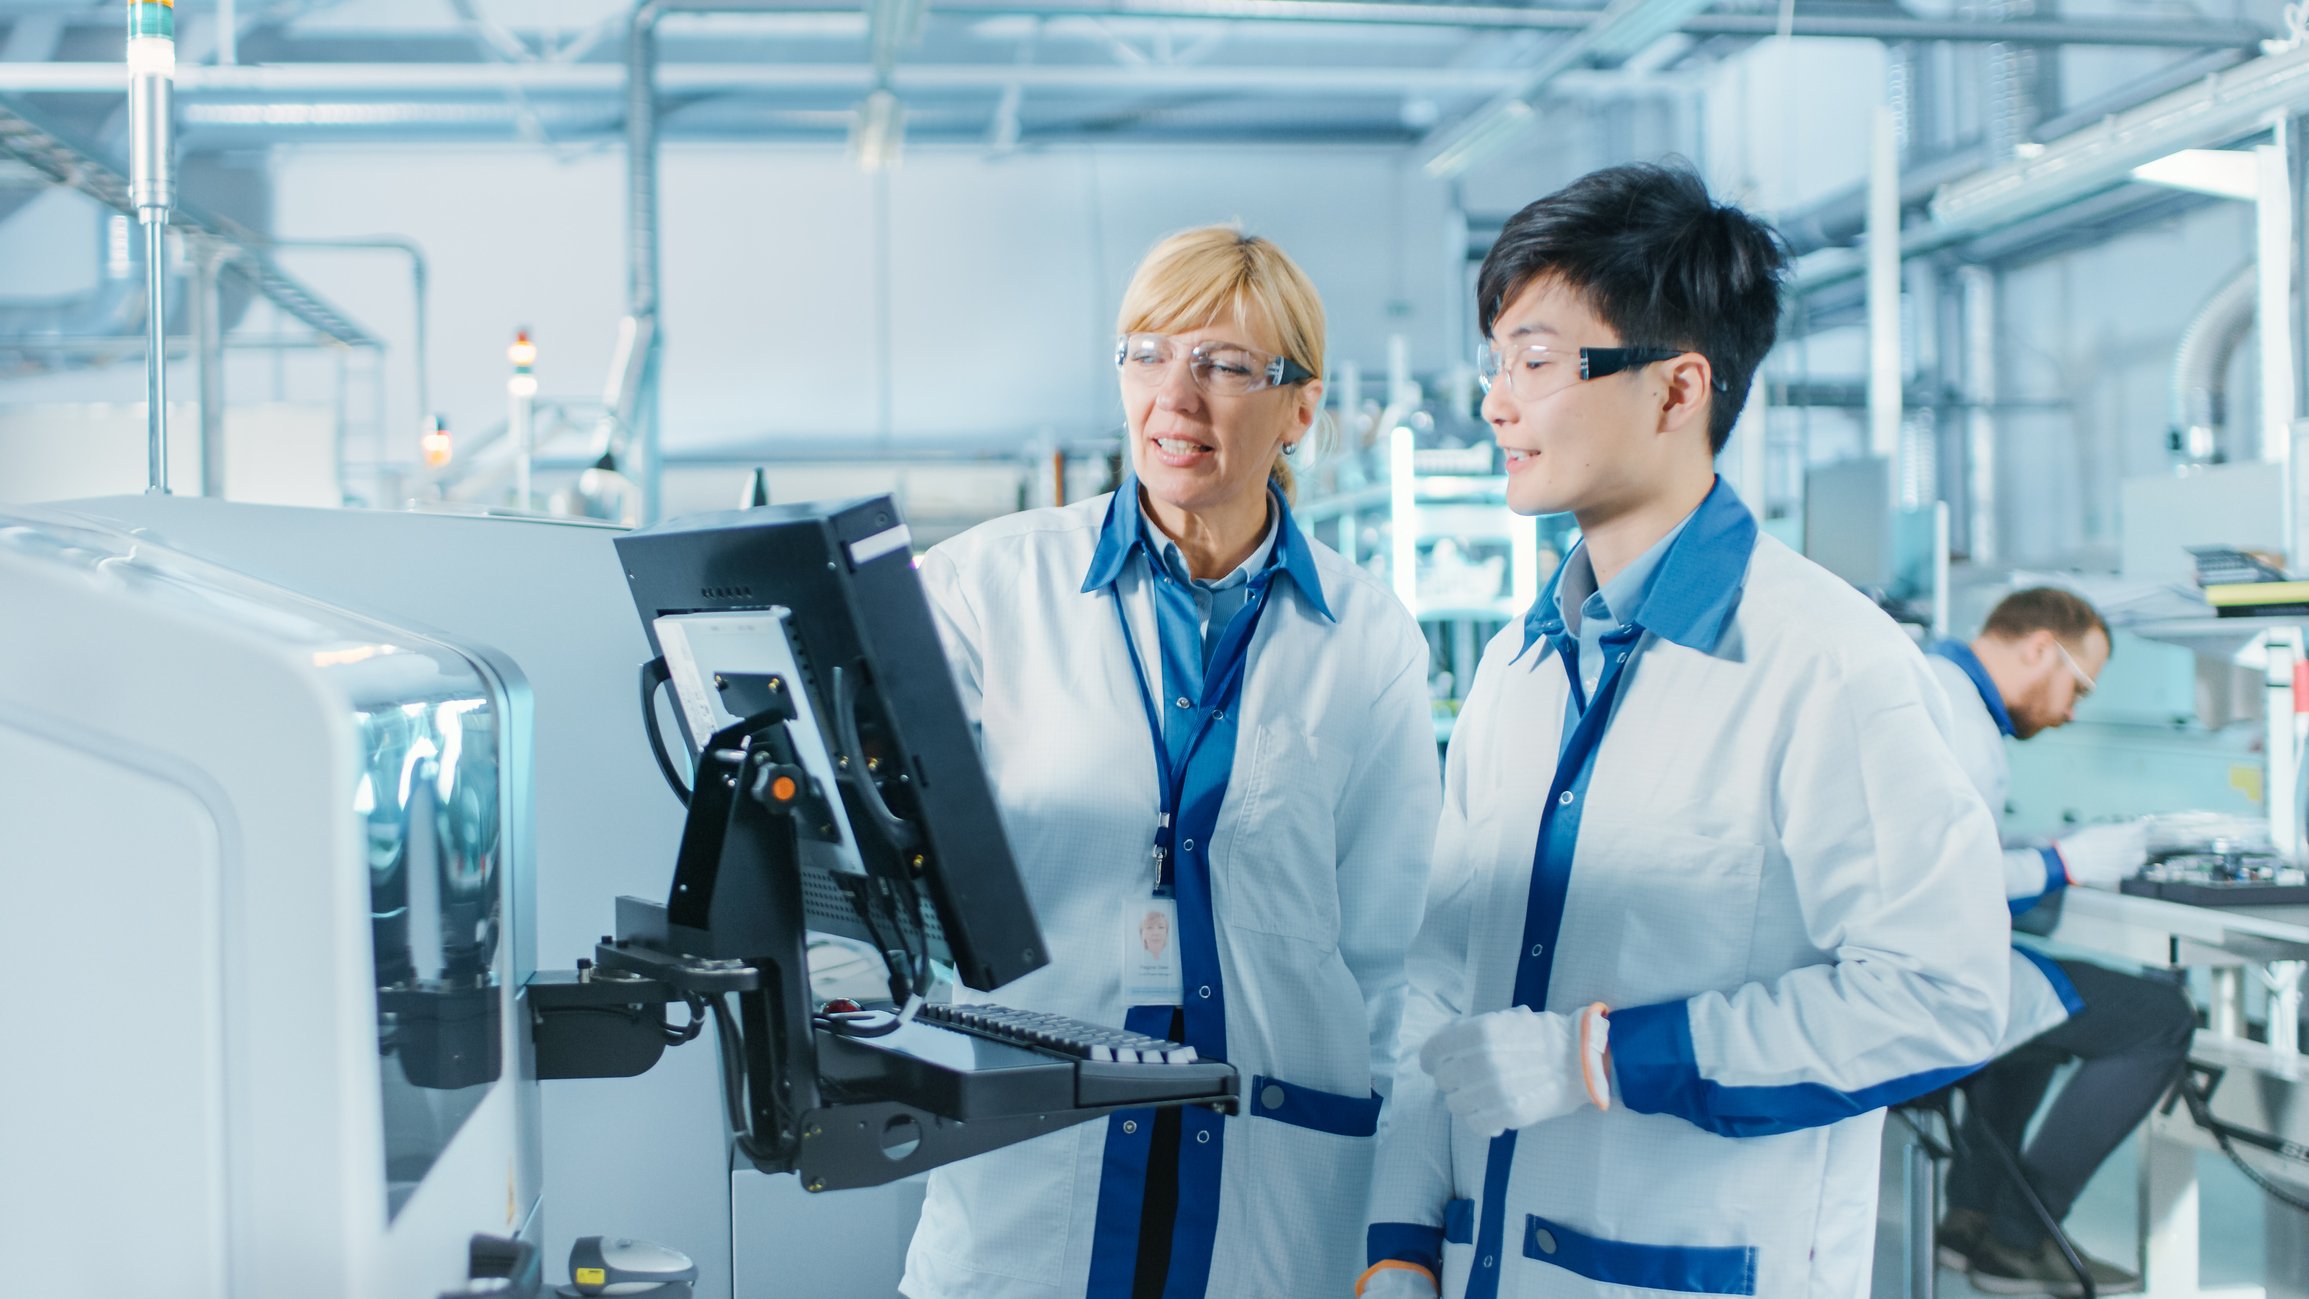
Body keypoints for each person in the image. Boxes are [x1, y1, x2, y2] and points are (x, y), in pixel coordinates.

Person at [1358, 162, 2011, 1299]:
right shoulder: (1517, 675)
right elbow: (1437, 981)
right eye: (1494, 361)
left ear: (1674, 390)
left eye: (1538, 360)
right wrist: (1399, 1237)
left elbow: (1939, 998)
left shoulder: (1826, 665)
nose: (1496, 401)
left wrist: (1602, 1057)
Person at [901, 225, 1441, 1299]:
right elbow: (868, 838)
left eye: (1225, 366)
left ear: (1299, 406)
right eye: (1147, 353)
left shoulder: (1368, 638)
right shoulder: (982, 590)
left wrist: (1398, 1227)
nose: (1175, 398)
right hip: (1034, 1181)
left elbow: (1393, 959)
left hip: (1272, 1183)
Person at [1925, 588, 2194, 1296]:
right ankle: (2019, 1235)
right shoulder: (1956, 716)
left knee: (2048, 1005)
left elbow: (1950, 841)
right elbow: (1946, 879)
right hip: (1923, 976)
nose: (2072, 710)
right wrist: (2064, 862)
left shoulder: (1939, 689)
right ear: (2040, 646)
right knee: (2156, 1018)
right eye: (2076, 686)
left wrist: (2039, 845)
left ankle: (1969, 1220)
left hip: (1918, 960)